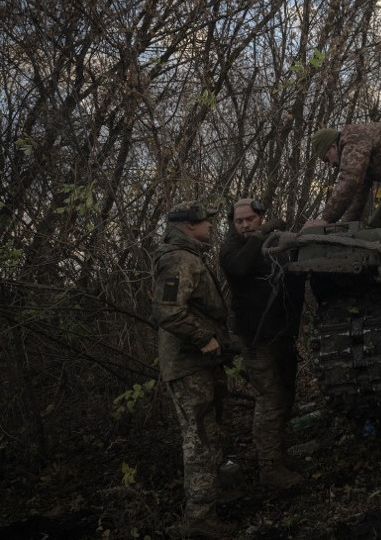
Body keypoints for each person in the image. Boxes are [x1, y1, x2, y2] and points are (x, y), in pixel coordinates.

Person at [151, 201, 237, 539]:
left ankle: (214, 500)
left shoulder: (189, 256)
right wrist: (204, 338)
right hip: (189, 364)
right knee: (200, 437)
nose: (210, 226)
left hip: (201, 362)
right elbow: (167, 312)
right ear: (188, 224)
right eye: (205, 221)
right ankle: (199, 520)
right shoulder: (178, 259)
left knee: (211, 431)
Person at [218, 198, 305, 489]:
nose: (244, 225)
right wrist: (261, 233)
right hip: (256, 340)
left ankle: (279, 456)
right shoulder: (231, 248)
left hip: (282, 336)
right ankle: (270, 470)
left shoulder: (276, 241)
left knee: (286, 397)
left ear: (260, 216)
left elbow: (295, 279)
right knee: (269, 401)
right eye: (239, 221)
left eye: (250, 219)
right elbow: (241, 269)